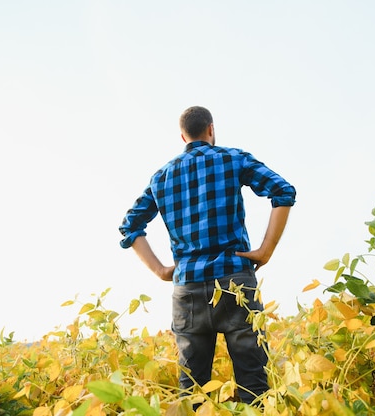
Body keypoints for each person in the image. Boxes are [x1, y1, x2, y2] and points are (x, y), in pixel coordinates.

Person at [119, 106, 296, 404]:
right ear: (211, 130)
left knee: (192, 391)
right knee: (254, 382)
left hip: (187, 288)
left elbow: (129, 227)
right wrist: (265, 251)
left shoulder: (162, 176)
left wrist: (162, 271)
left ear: (182, 136)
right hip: (234, 281)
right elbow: (283, 191)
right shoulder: (233, 158)